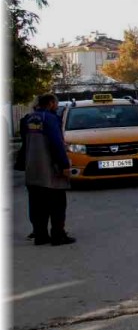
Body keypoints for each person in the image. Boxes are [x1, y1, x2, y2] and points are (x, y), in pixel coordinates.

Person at [22, 94, 75, 246]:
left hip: (32, 170)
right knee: (57, 204)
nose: (57, 106)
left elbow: (25, 145)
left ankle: (40, 236)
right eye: (56, 103)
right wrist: (64, 165)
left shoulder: (29, 119)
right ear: (51, 103)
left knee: (37, 206)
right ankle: (58, 236)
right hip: (49, 171)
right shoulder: (50, 119)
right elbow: (57, 144)